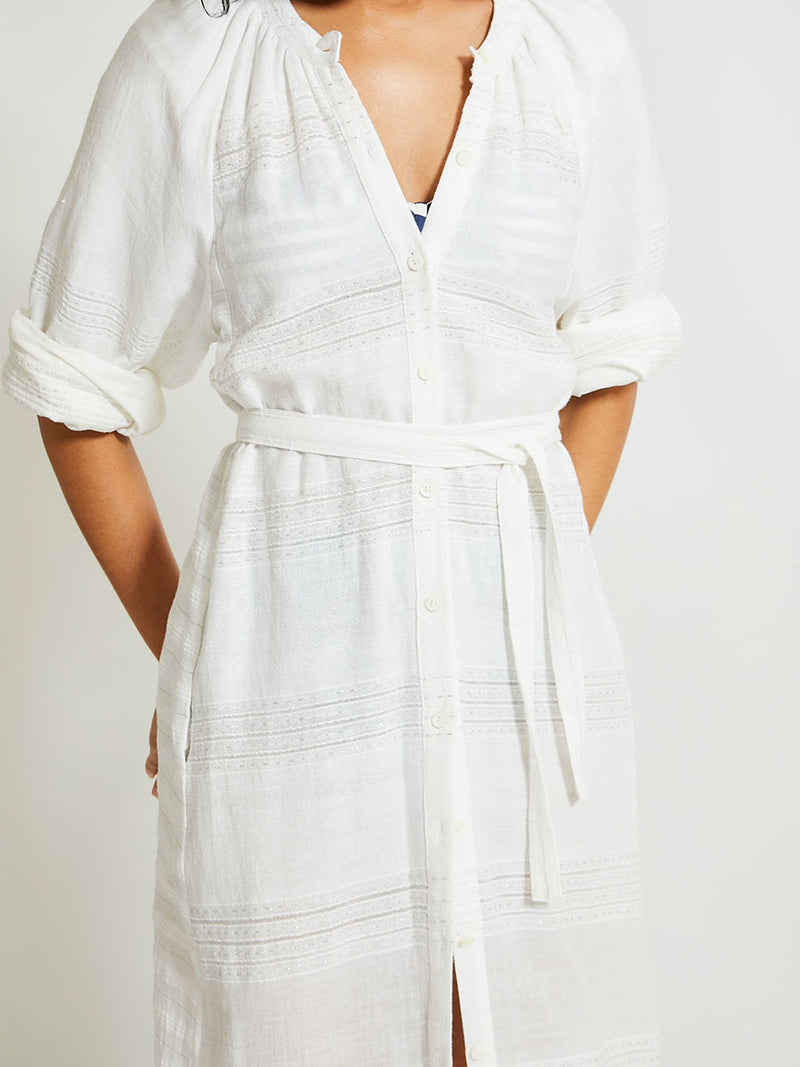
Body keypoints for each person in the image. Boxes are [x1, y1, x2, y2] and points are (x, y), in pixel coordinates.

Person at [2, 0, 683, 1063]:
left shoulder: (570, 48)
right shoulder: (197, 57)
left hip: (529, 700)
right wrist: (198, 650)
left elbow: (608, 358)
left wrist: (509, 604)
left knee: (531, 1021)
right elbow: (75, 383)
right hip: (291, 698)